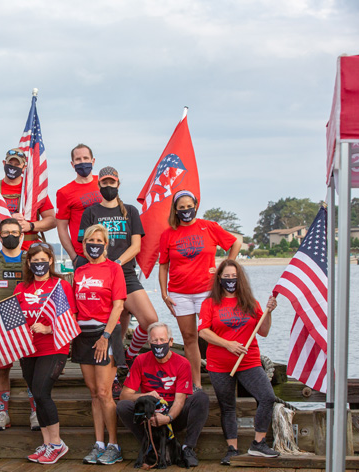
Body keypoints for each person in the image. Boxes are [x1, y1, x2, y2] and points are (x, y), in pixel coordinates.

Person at [78, 166, 158, 396]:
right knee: (115, 327)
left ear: (118, 184)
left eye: (112, 182)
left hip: (125, 273)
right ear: (99, 185)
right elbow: (85, 245)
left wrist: (116, 264)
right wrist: (101, 266)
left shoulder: (130, 211)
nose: (108, 186)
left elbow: (136, 246)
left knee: (150, 320)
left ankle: (130, 355)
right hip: (98, 276)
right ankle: (116, 371)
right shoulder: (90, 212)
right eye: (104, 183)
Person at [198, 260, 280, 464]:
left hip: (249, 360)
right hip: (219, 363)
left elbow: (264, 331)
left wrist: (268, 313)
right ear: (219, 279)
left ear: (240, 278)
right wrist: (228, 344)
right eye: (226, 277)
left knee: (267, 397)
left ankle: (258, 444)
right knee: (228, 406)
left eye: (233, 277)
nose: (230, 280)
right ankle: (232, 449)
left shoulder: (250, 302)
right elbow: (203, 332)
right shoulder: (210, 303)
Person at [158, 190, 241, 388]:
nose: (186, 210)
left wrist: (225, 266)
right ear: (175, 210)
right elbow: (163, 265)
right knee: (189, 337)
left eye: (189, 207)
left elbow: (235, 242)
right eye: (182, 208)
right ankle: (196, 383)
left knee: (215, 335)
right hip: (180, 293)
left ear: (195, 206)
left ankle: (223, 379)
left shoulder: (209, 227)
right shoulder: (168, 234)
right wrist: (163, 294)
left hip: (207, 291)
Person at [16, 243, 77, 464]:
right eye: (34, 261)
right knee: (35, 395)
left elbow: (70, 319)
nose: (39, 265)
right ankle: (46, 443)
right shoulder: (21, 288)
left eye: (43, 260)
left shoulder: (60, 286)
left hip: (53, 347)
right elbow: (13, 320)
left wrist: (48, 328)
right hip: (28, 349)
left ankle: (57, 443)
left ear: (50, 261)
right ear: (29, 263)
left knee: (42, 393)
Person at [117, 322, 209, 468]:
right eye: (154, 340)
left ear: (170, 341)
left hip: (173, 411)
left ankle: (188, 449)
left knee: (201, 398)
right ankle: (150, 445)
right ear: (149, 342)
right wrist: (145, 395)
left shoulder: (183, 363)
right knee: (123, 406)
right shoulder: (140, 360)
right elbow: (124, 395)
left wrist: (167, 418)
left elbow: (180, 401)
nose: (158, 343)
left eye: (162, 340)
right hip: (150, 412)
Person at [73, 224, 126, 465]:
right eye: (89, 240)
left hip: (104, 334)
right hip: (82, 335)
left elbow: (118, 306)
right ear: (84, 244)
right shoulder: (79, 270)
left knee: (105, 393)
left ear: (106, 244)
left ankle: (114, 445)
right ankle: (99, 444)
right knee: (94, 393)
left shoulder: (114, 269)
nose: (94, 244)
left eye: (98, 240)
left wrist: (105, 337)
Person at [0, 218, 39, 432]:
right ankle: (3, 412)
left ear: (22, 235)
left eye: (15, 231)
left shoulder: (30, 261)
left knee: (30, 371)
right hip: (0, 323)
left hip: (28, 324)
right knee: (1, 371)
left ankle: (35, 411)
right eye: (6, 233)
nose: (11, 236)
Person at [0, 148, 56, 250]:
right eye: (10, 163)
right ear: (4, 163)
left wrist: (30, 226)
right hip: (0, 249)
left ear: (24, 167)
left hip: (29, 250)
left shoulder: (34, 191)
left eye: (17, 164)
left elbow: (52, 220)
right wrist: (7, 219)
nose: (12, 167)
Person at [56, 143, 103, 269]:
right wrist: (74, 257)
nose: (82, 162)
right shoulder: (64, 193)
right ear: (72, 164)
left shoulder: (104, 182)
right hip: (83, 255)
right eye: (78, 159)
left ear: (93, 161)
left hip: (108, 252)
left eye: (86, 158)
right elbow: (62, 228)